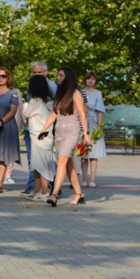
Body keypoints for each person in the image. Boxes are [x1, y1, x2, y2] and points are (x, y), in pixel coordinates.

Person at [39, 67, 91, 207]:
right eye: (58, 75)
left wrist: (86, 134)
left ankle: (54, 194)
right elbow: (54, 114)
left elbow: (82, 115)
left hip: (72, 132)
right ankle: (79, 193)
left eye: (61, 75)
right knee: (68, 165)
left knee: (61, 161)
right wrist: (44, 129)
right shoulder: (60, 94)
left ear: (67, 77)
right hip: (59, 133)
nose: (58, 77)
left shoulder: (76, 93)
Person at [23, 62, 57, 195]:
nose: (37, 75)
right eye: (34, 72)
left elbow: (25, 113)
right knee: (40, 162)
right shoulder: (48, 99)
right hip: (44, 133)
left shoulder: (37, 99)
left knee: (40, 163)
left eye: (39, 72)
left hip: (38, 134)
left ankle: (44, 191)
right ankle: (37, 189)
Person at [80, 72, 107, 187]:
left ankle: (93, 179)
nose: (90, 81)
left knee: (94, 153)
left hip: (94, 122)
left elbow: (100, 111)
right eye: (88, 79)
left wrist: (99, 128)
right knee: (83, 153)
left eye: (93, 79)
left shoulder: (98, 94)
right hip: (82, 122)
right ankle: (84, 179)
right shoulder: (80, 92)